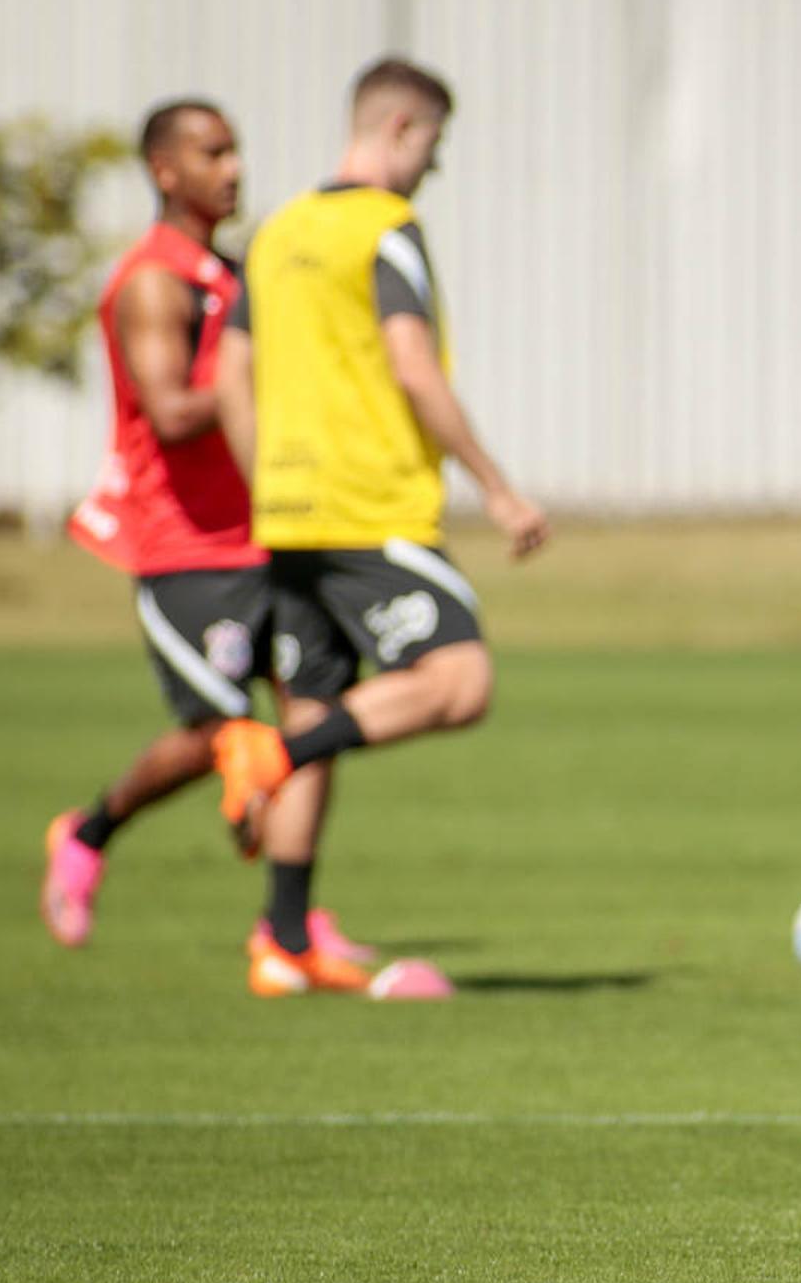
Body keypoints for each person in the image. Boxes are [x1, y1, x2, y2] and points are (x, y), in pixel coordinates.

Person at [213, 56, 549, 998]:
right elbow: (412, 365)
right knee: (460, 681)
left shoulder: (274, 235)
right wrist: (498, 487)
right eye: (432, 145)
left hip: (290, 515)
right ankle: (265, 756)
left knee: (318, 706)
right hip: (373, 508)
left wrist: (268, 484)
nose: (432, 167)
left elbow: (229, 379)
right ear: (401, 128)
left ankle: (282, 943)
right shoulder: (388, 229)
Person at [43, 98, 370, 971]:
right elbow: (171, 410)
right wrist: (268, 391)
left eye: (237, 151)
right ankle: (85, 834)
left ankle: (288, 930)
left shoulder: (231, 271)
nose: (232, 169)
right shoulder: (156, 279)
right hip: (185, 545)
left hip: (268, 534)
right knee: (215, 732)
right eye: (212, 153)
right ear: (165, 170)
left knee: (314, 716)